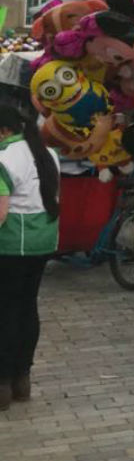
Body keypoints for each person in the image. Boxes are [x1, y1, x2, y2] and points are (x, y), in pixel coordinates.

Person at [0, 105, 60, 409]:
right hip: (42, 243)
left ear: (3, 131)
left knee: (6, 312)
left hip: (11, 246)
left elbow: (0, 212)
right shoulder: (47, 154)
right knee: (26, 307)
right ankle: (22, 379)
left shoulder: (4, 158)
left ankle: (3, 384)